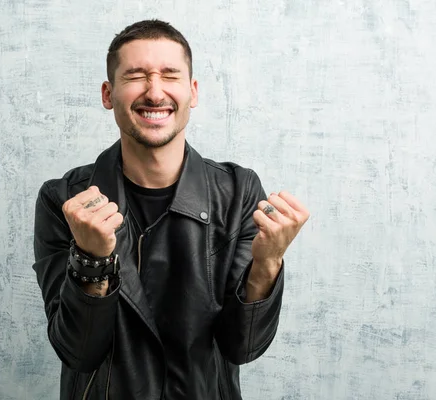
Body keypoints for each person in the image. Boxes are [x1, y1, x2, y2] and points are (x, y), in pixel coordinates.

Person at [33, 19, 309, 400]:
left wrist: (268, 263)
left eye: (170, 75)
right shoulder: (63, 200)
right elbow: (78, 352)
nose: (155, 91)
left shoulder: (238, 192)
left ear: (192, 92)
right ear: (108, 94)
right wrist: (91, 257)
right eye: (135, 76)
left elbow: (242, 348)